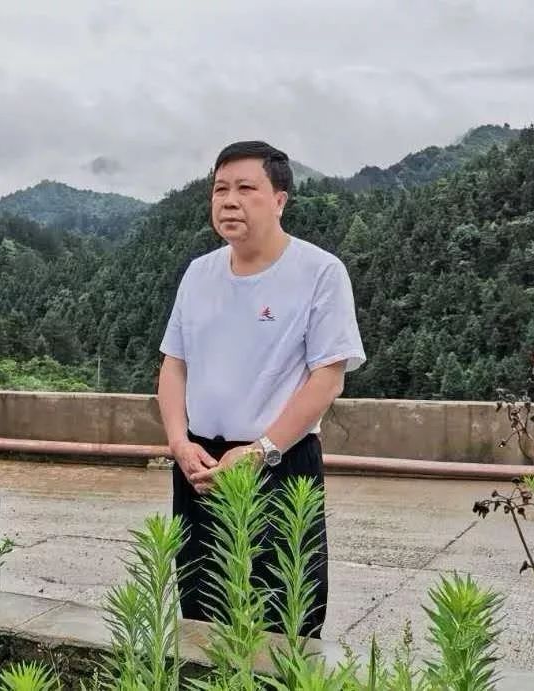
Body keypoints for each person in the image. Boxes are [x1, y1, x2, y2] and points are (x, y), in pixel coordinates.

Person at [157, 141, 366, 636]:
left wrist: (261, 450)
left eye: (246, 188)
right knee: (201, 610)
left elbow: (328, 377)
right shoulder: (199, 273)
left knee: (286, 615)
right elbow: (173, 365)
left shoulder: (319, 272)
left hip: (279, 462)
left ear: (279, 200)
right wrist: (179, 443)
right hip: (200, 466)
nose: (229, 201)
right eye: (220, 189)